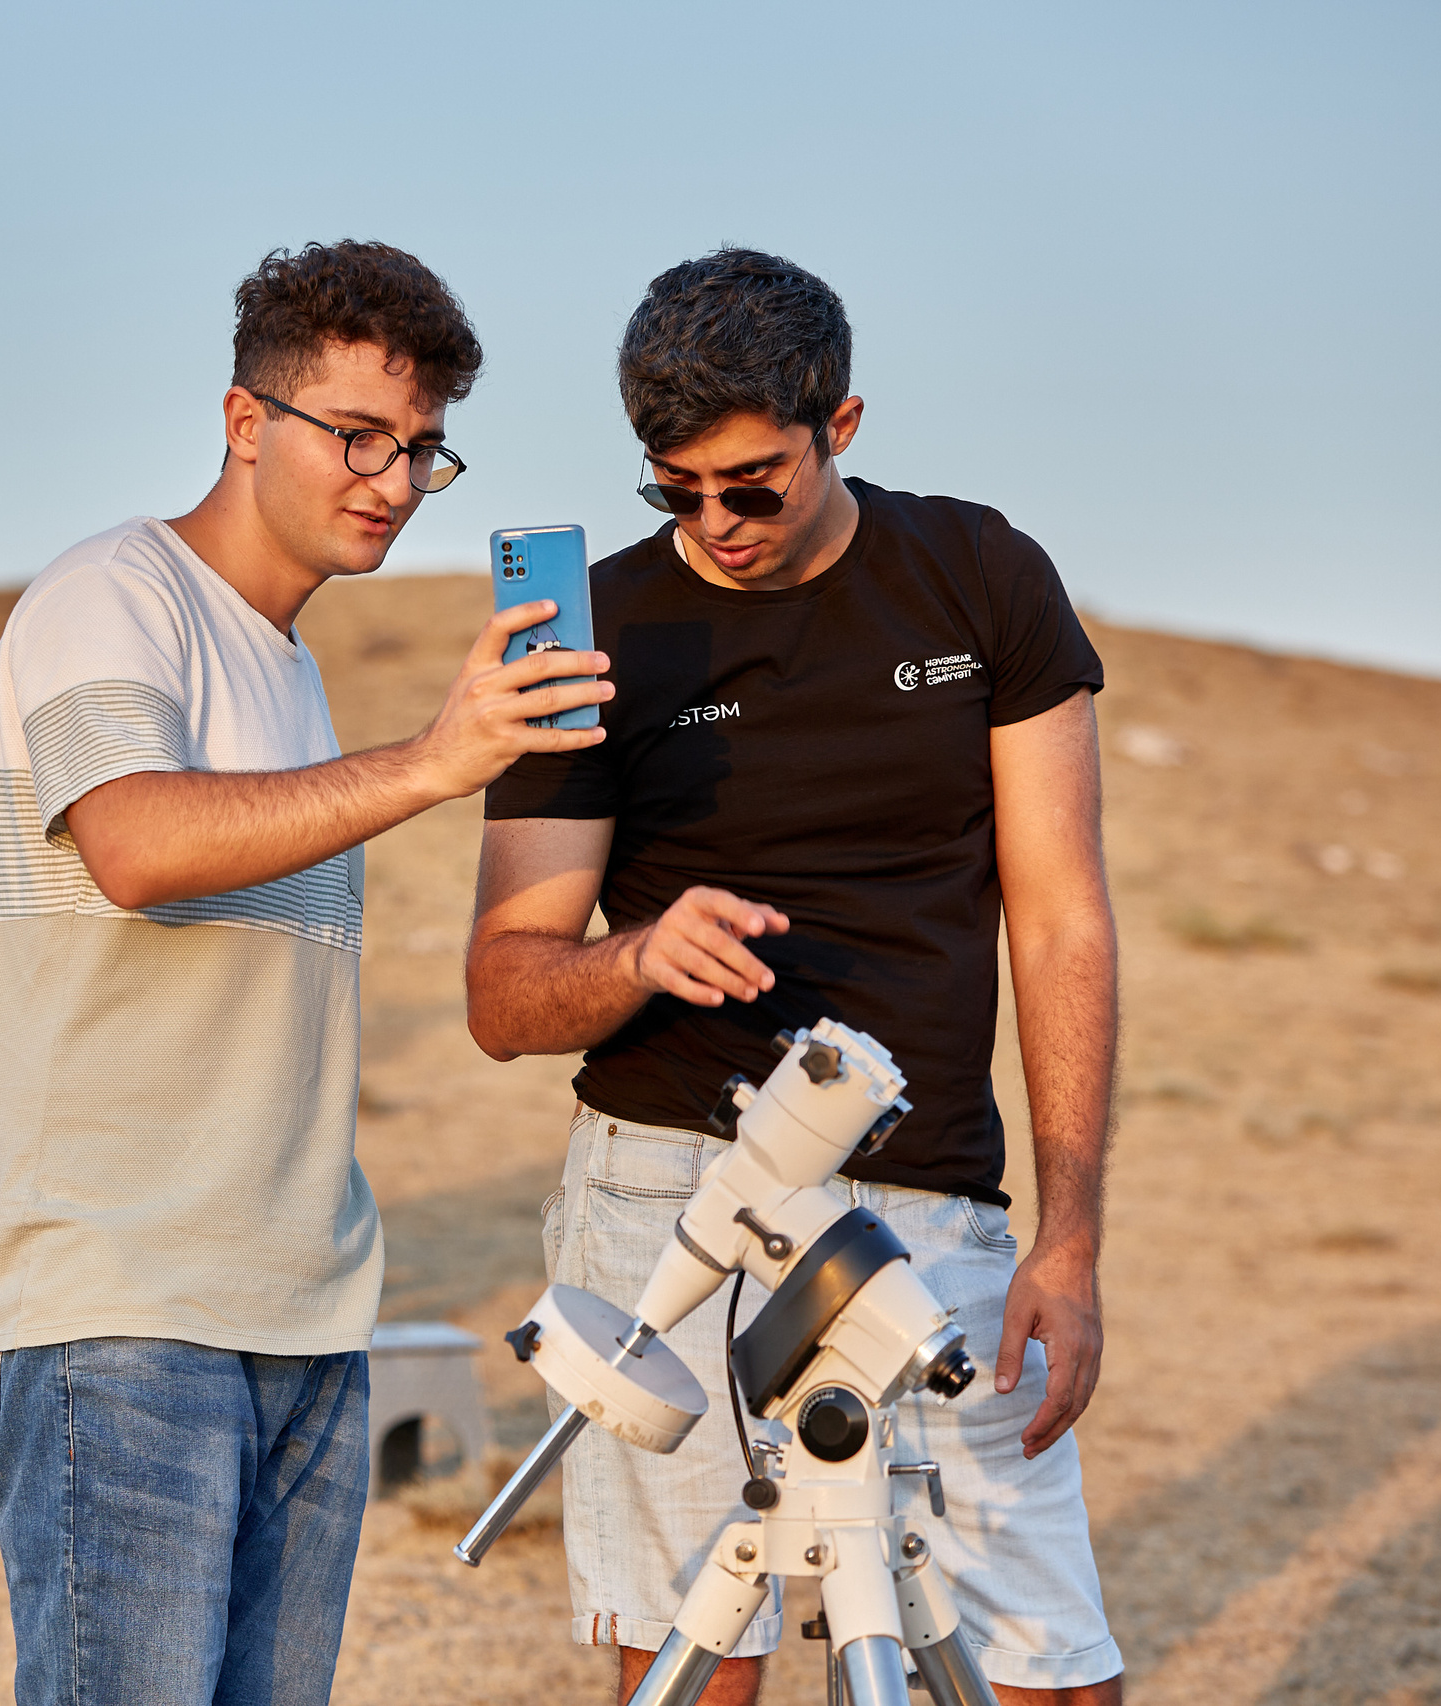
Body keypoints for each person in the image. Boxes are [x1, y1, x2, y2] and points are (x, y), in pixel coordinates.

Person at [0, 239, 611, 1706]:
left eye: (422, 449)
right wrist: (432, 762)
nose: (391, 477)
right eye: (358, 434)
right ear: (246, 423)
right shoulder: (112, 595)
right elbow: (132, 841)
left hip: (302, 1310)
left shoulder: (288, 664)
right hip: (121, 1305)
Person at [468, 249, 1123, 1704]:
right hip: (668, 1192)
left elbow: (1063, 919)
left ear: (843, 423)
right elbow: (507, 994)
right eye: (674, 486)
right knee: (703, 1660)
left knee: (1050, 1666)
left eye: (751, 481)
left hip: (930, 1191)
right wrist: (637, 955)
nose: (716, 521)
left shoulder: (982, 578)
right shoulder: (598, 636)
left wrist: (1068, 1241)